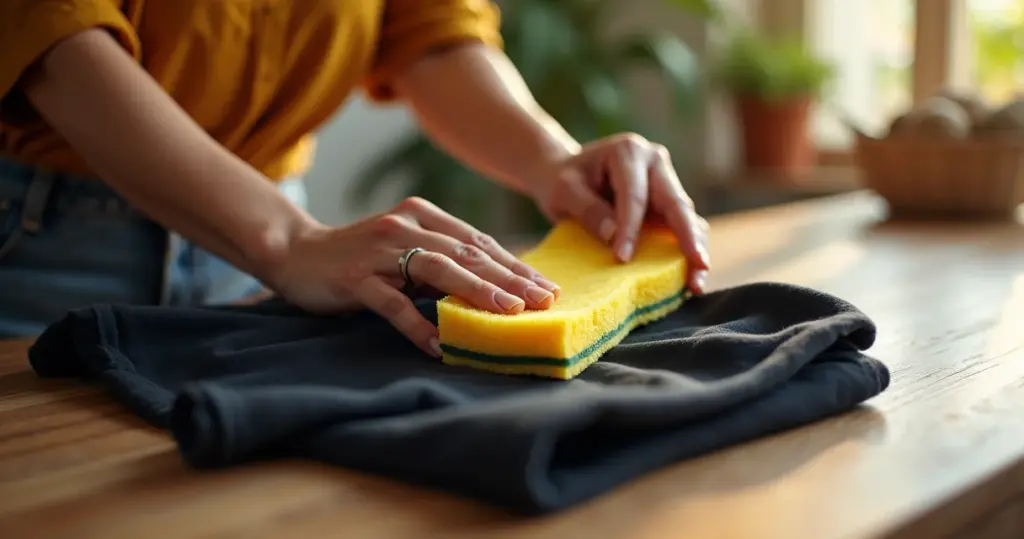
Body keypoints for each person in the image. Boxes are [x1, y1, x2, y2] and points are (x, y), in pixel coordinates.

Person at [0, 0, 711, 355]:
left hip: (265, 254)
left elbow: (427, 28)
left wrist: (552, 160)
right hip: (36, 245)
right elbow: (52, 28)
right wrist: (286, 240)